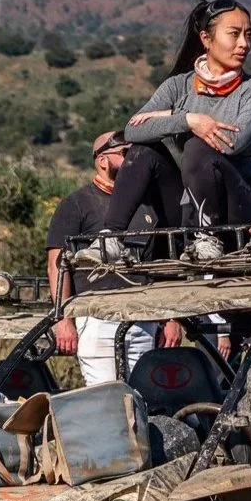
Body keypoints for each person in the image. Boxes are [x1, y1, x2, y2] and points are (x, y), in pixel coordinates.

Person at [84, 0, 251, 264]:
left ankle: (208, 236)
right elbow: (133, 131)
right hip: (190, 206)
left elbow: (231, 141)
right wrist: (187, 119)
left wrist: (174, 118)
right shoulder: (178, 86)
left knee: (198, 147)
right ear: (206, 39)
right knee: (144, 150)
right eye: (234, 34)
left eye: (248, 34)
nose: (244, 43)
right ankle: (111, 238)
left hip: (244, 205)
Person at [46, 131, 177, 385]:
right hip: (97, 319)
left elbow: (161, 264)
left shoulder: (148, 207)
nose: (134, 162)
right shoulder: (76, 204)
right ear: (102, 161)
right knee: (106, 396)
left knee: (143, 398)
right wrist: (63, 319)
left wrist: (170, 318)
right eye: (126, 155)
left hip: (144, 318)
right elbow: (57, 264)